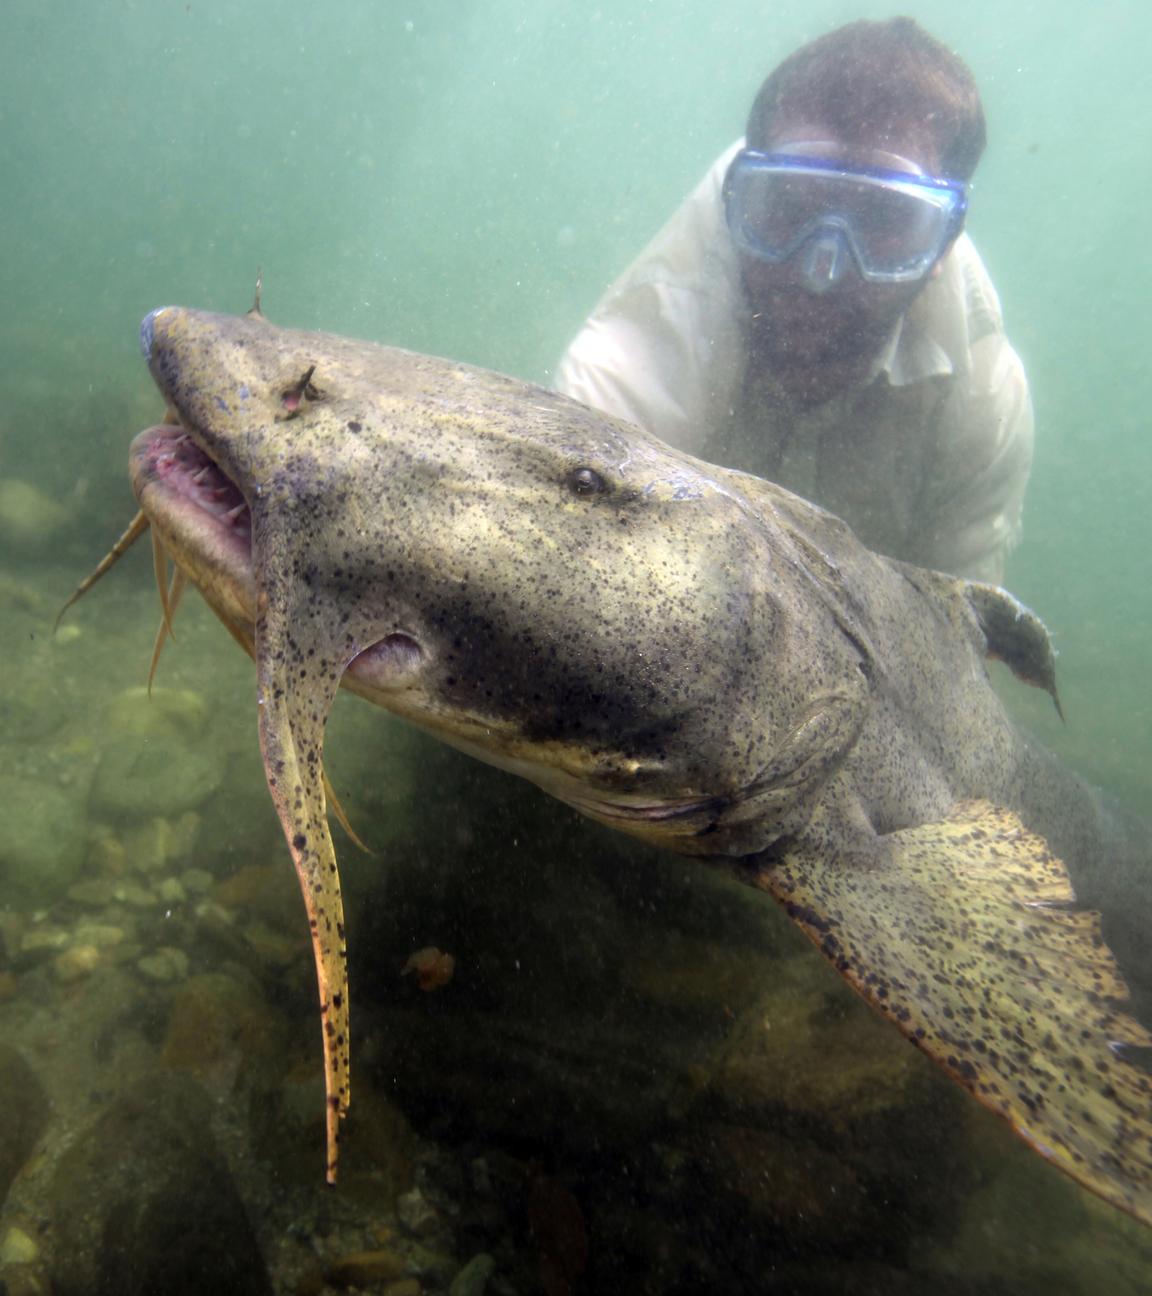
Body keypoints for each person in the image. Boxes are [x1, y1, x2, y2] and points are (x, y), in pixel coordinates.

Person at [556, 17, 1032, 585]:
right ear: (739, 203)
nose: (822, 271)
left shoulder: (981, 391)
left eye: (881, 219)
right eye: (787, 205)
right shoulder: (645, 339)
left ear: (942, 244)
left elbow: (962, 632)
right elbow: (568, 575)